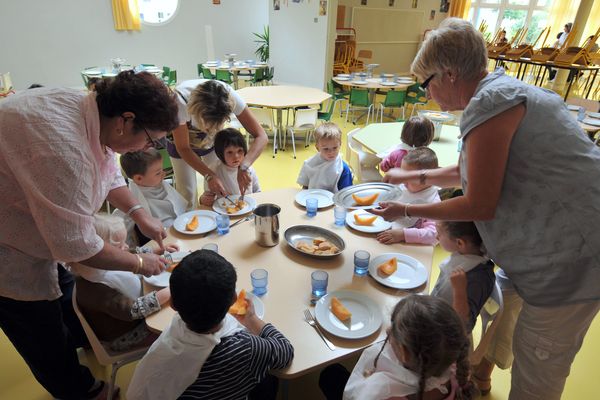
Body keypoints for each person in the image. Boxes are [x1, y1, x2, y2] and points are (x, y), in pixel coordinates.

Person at [371, 18, 600, 399]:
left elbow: (480, 202)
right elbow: (469, 172)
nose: (428, 95)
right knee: (506, 318)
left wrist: (406, 211)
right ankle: (481, 377)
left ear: (448, 73)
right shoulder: (501, 91)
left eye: (426, 84)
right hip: (549, 250)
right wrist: (413, 178)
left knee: (539, 362)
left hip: (570, 261)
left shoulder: (490, 104)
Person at [0, 70, 178, 400]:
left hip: (28, 215)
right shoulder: (64, 150)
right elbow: (77, 247)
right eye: (151, 140)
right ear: (126, 121)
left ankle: (87, 340)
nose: (150, 147)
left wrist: (140, 214)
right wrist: (140, 262)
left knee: (65, 296)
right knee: (37, 327)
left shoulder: (95, 115)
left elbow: (107, 170)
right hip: (6, 244)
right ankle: (79, 390)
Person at [127, 250, 294, 400]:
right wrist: (251, 318)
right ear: (234, 299)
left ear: (172, 304)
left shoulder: (173, 333)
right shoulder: (247, 348)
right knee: (268, 378)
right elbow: (285, 352)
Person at [319, 295, 474, 400]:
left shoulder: (381, 390)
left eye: (393, 329)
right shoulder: (453, 365)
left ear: (405, 353)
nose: (388, 330)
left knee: (330, 375)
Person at [70, 214, 176, 352]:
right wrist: (172, 289)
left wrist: (156, 250)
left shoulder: (98, 264)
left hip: (139, 314)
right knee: (175, 329)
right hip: (127, 335)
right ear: (102, 254)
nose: (126, 247)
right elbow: (133, 310)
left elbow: (128, 254)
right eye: (120, 246)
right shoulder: (95, 288)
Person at [169, 79, 268, 208]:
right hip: (180, 144)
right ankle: (187, 222)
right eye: (206, 125)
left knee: (220, 180)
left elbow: (262, 136)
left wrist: (244, 166)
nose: (209, 130)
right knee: (187, 191)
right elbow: (183, 147)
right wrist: (209, 175)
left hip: (211, 144)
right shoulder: (179, 103)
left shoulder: (231, 98)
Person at [432, 221, 495, 332]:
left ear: (460, 243)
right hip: (434, 312)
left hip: (443, 335)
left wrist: (459, 290)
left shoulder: (478, 277)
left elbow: (464, 326)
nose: (436, 236)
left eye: (439, 233)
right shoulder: (463, 255)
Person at [119, 148, 187, 243]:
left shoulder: (161, 184)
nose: (164, 174)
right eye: (158, 173)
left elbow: (180, 208)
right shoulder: (132, 199)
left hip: (179, 232)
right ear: (139, 178)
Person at [472, 269, 523, 395]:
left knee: (500, 329)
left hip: (522, 283)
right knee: (492, 322)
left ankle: (482, 375)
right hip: (510, 275)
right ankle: (480, 370)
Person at [377, 147, 440, 245]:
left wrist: (403, 234)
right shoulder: (403, 187)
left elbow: (434, 235)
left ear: (427, 179)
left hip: (410, 246)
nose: (403, 181)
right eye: (403, 175)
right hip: (385, 235)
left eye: (409, 178)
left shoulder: (433, 202)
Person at [199, 127, 261, 206]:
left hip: (247, 210)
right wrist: (202, 199)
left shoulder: (248, 169)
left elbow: (258, 191)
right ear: (220, 154)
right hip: (222, 213)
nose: (236, 156)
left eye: (239, 151)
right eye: (229, 152)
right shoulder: (213, 170)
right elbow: (207, 196)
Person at [297, 122, 353, 193]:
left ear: (340, 145)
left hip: (333, 202)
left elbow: (345, 194)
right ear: (317, 147)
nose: (331, 152)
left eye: (335, 148)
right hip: (313, 199)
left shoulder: (343, 169)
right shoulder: (309, 164)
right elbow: (305, 187)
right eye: (326, 149)